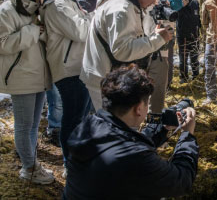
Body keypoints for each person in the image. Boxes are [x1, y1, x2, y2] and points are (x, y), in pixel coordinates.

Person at [65, 64, 199, 199]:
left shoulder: (88, 126)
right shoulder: (134, 157)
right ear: (139, 108)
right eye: (147, 103)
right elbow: (182, 181)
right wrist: (187, 135)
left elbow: (127, 142)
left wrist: (163, 130)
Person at [80, 0, 173, 111]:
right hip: (104, 81)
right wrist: (157, 39)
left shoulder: (127, 2)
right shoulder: (121, 9)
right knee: (112, 128)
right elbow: (122, 50)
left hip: (108, 77)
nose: (155, 2)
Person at [0, 0, 54, 184]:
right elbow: (3, 44)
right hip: (21, 75)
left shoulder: (34, 8)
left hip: (39, 74)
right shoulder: (5, 10)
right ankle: (29, 168)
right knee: (23, 125)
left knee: (32, 125)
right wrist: (32, 31)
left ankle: (30, 164)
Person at [40, 0, 93, 172]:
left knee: (80, 116)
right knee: (72, 118)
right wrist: (93, 17)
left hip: (78, 67)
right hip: (68, 69)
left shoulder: (70, 3)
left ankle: (77, 160)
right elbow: (81, 32)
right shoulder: (57, 5)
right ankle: (70, 164)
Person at [141, 0, 181, 113]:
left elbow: (177, 7)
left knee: (158, 92)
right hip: (140, 48)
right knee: (138, 90)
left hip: (161, 47)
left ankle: (154, 122)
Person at [38, 0, 62, 146]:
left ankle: (55, 128)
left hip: (53, 59)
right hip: (34, 63)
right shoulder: (32, 9)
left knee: (56, 96)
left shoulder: (53, 6)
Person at [176, 0, 201, 84]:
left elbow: (198, 17)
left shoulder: (195, 3)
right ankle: (184, 77)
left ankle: (196, 76)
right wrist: (182, 7)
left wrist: (199, 30)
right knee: (183, 59)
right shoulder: (177, 5)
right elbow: (176, 16)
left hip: (194, 35)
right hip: (182, 36)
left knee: (194, 57)